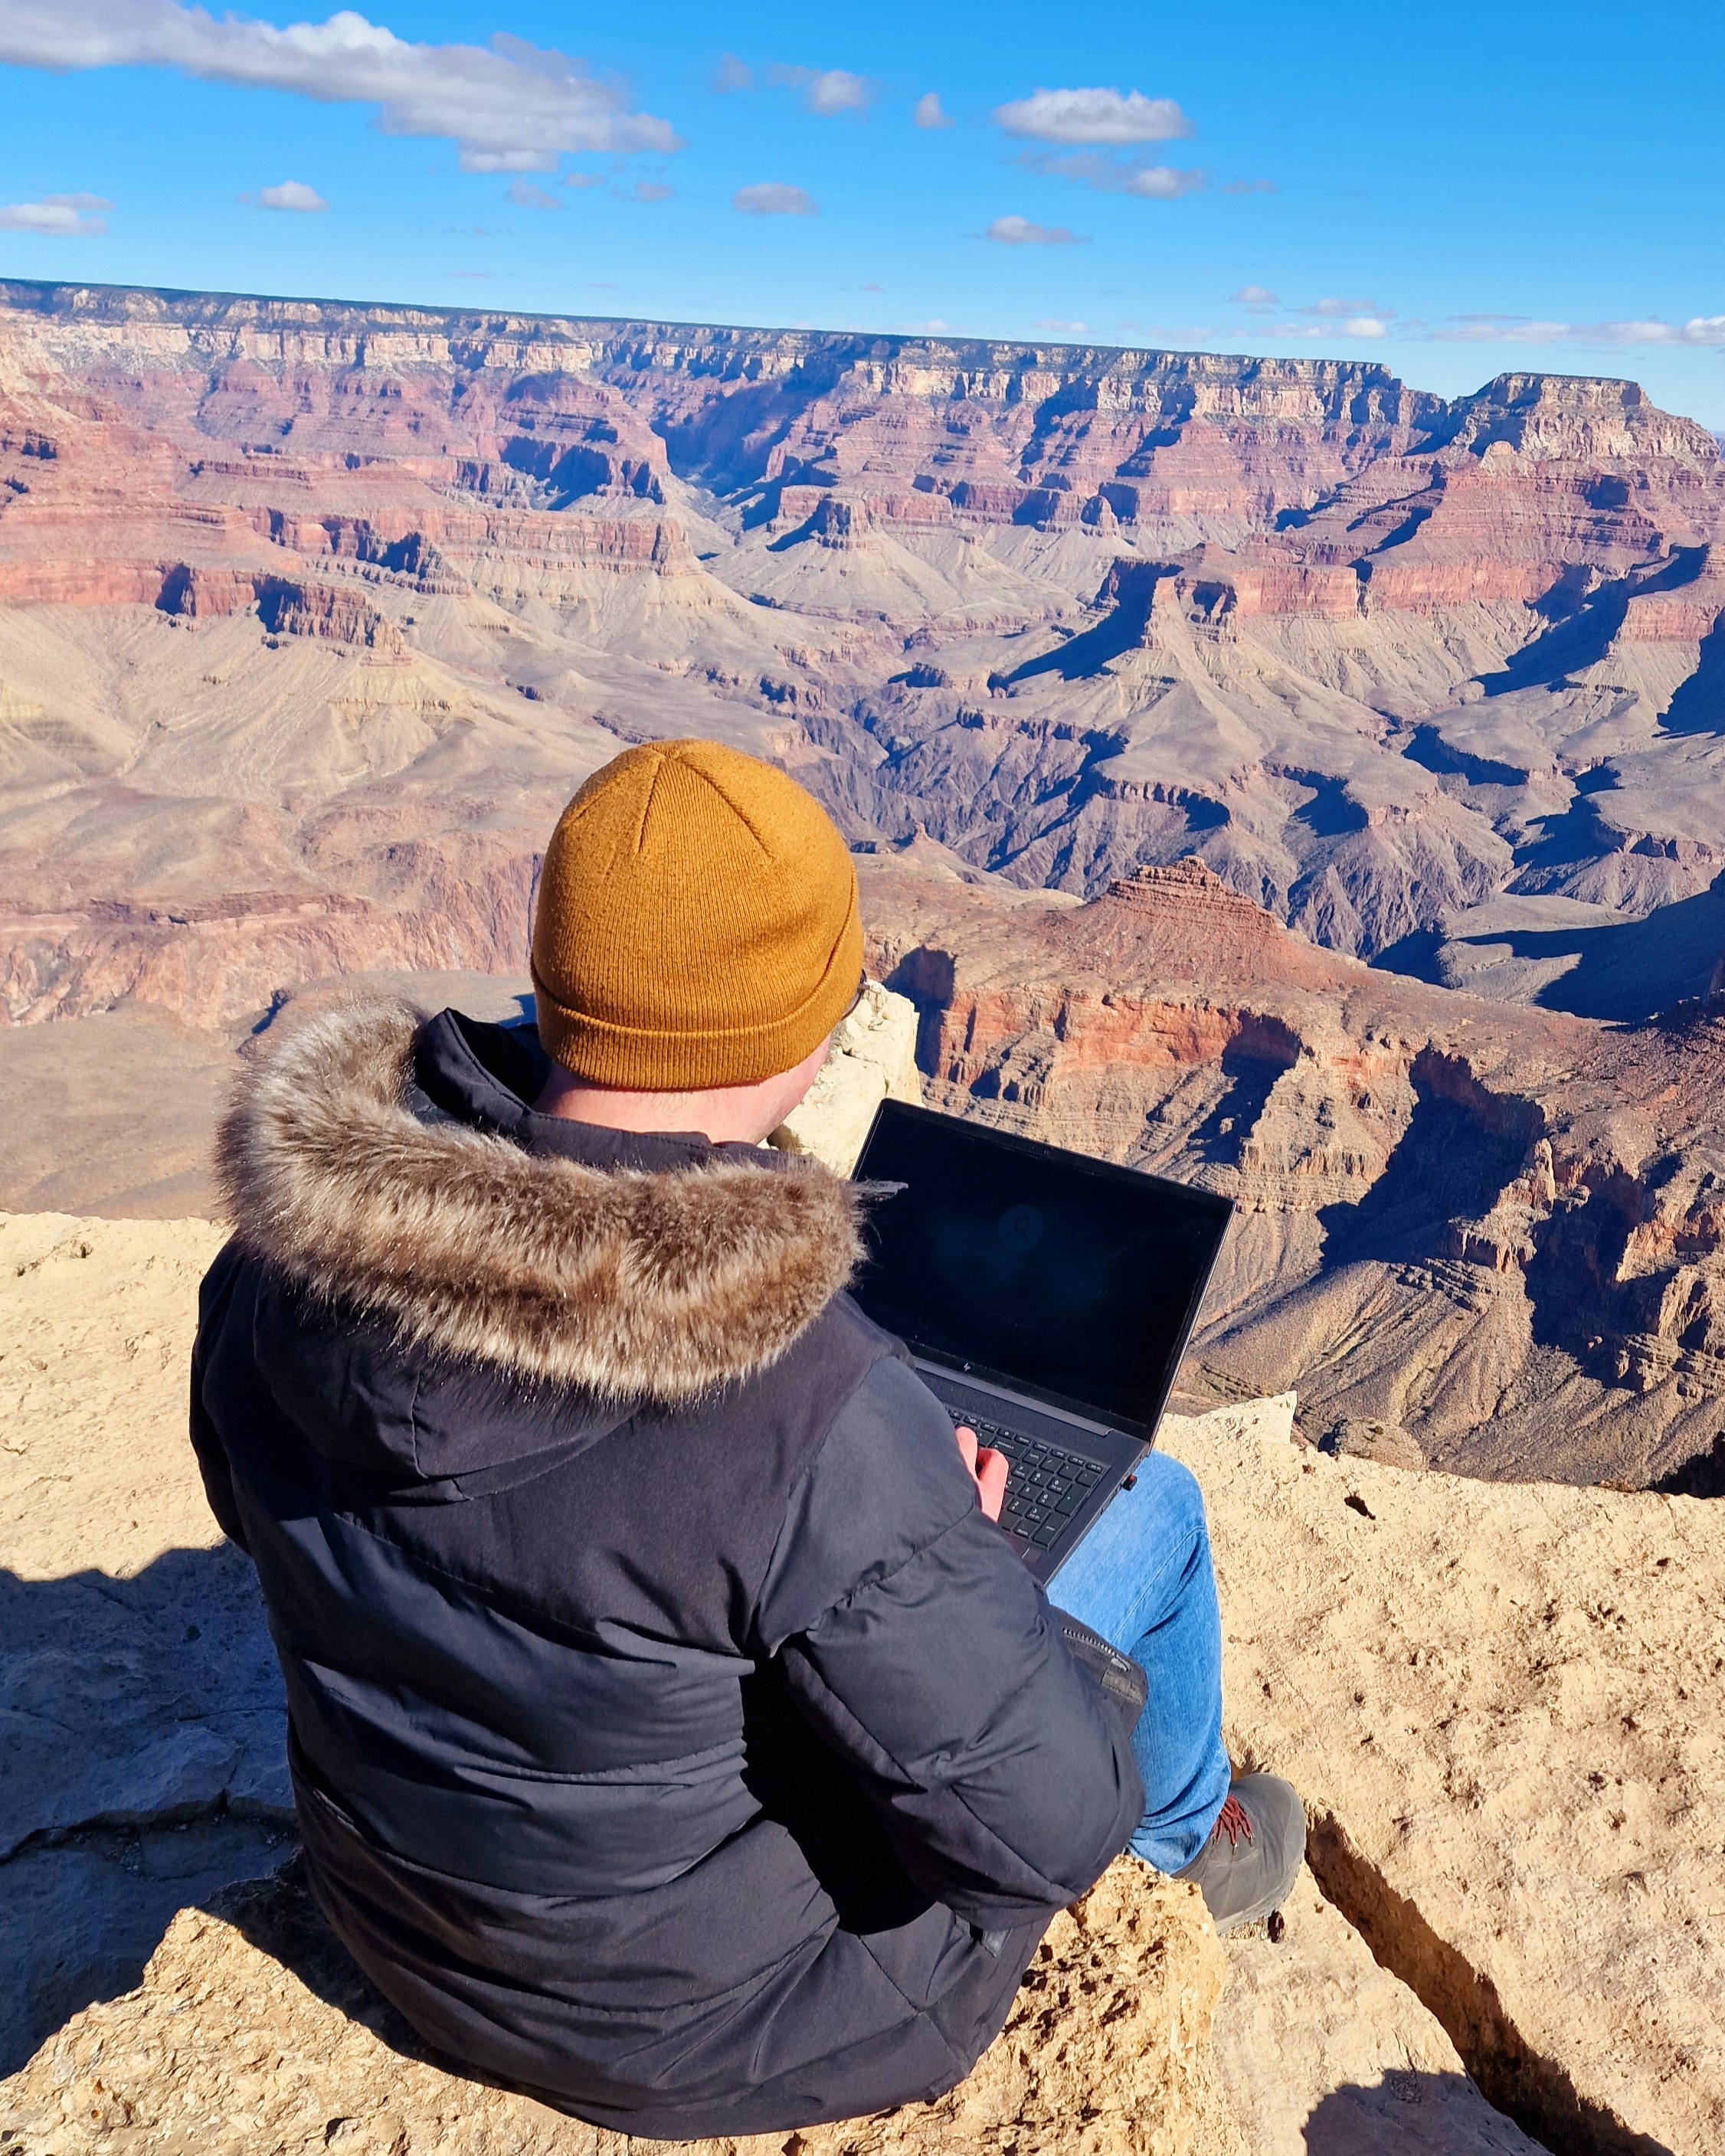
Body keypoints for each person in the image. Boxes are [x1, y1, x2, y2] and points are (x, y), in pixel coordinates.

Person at [189, 738, 1301, 2139]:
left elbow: (255, 1508)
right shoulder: (800, 1404)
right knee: (1151, 1516)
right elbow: (1049, 1828)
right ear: (809, 1032)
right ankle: (1201, 1837)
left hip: (399, 1917)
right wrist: (971, 1562)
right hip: (721, 2018)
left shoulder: (286, 1258)